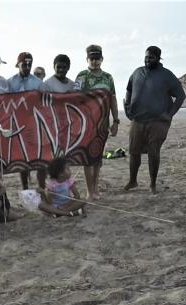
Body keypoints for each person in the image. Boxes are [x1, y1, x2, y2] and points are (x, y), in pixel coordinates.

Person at [123, 46, 186, 193]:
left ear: (158, 58)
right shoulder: (137, 72)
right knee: (134, 151)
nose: (147, 60)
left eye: (151, 57)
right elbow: (129, 88)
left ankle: (152, 184)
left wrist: (169, 114)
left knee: (153, 152)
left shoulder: (167, 75)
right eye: (146, 57)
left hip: (158, 121)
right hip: (137, 119)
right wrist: (127, 106)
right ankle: (133, 181)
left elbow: (181, 96)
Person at [74, 44, 120, 200]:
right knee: (88, 158)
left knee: (98, 157)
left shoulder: (108, 78)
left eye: (97, 58)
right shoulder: (82, 76)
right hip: (87, 124)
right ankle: (89, 191)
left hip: (103, 124)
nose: (94, 61)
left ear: (102, 59)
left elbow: (113, 98)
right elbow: (75, 98)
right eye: (91, 58)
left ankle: (95, 188)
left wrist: (116, 121)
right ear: (87, 59)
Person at [8, 52, 43, 190]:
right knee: (22, 156)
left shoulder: (38, 83)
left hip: (34, 122)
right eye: (24, 64)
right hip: (17, 123)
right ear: (18, 64)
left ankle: (41, 186)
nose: (27, 67)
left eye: (30, 64)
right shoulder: (10, 82)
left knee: (39, 155)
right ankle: (25, 187)